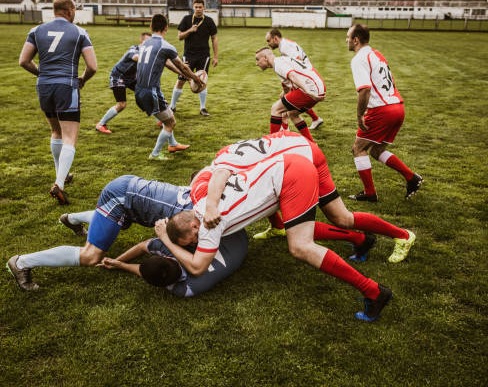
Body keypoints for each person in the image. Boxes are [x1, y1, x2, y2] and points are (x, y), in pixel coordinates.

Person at [157, 154, 393, 322]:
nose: (194, 245)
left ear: (194, 227)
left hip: (289, 176)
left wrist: (165, 240)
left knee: (300, 246)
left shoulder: (208, 225)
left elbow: (197, 268)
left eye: (190, 242)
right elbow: (215, 171)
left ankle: (373, 292)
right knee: (298, 228)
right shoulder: (201, 190)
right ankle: (361, 240)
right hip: (283, 168)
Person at [202, 130, 415, 263]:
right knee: (337, 217)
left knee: (330, 220)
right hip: (297, 145)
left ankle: (403, 236)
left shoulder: (221, 169)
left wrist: (211, 205)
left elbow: (224, 177)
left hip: (302, 159)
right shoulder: (223, 153)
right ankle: (277, 227)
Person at [6, 174, 195, 291]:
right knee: (91, 256)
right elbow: (149, 244)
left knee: (119, 224)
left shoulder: (200, 207)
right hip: (121, 197)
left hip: (132, 191)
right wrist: (119, 263)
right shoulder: (187, 223)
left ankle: (71, 219)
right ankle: (22, 262)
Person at [19, 0, 97, 205]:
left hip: (44, 86)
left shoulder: (35, 31)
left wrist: (42, 75)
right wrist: (82, 79)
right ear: (70, 11)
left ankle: (60, 176)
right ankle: (59, 184)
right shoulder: (80, 32)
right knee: (70, 136)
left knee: (55, 131)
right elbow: (93, 66)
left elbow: (24, 61)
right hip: (66, 86)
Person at [346, 24, 423, 202]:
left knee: (358, 148)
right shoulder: (377, 54)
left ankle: (370, 193)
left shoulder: (358, 59)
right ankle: (411, 177)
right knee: (376, 150)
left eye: (348, 37)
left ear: (355, 39)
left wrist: (359, 115)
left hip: (382, 110)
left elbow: (364, 90)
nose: (346, 40)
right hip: (398, 107)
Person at [134, 14, 205, 160]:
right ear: (167, 27)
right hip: (150, 92)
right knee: (171, 122)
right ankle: (154, 154)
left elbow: (167, 63)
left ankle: (172, 144)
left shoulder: (145, 44)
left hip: (139, 90)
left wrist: (183, 74)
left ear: (150, 27)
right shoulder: (166, 46)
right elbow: (182, 66)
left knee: (168, 115)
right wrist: (195, 78)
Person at [98, 229, 248, 297]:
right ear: (168, 258)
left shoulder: (184, 290)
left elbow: (145, 266)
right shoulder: (170, 250)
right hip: (233, 232)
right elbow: (142, 246)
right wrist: (119, 262)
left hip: (242, 245)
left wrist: (120, 264)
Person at [255, 47, 323, 143]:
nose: (257, 63)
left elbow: (292, 76)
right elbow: (287, 86)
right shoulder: (281, 60)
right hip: (318, 88)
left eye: (258, 59)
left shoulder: (278, 63)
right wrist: (284, 95)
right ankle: (311, 143)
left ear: (265, 57)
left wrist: (308, 91)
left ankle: (271, 145)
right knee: (293, 114)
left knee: (275, 109)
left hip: (311, 89)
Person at [265, 28, 323, 130]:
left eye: (268, 40)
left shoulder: (285, 47)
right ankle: (315, 119)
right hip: (305, 74)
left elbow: (297, 60)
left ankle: (285, 128)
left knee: (288, 102)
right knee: (291, 100)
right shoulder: (285, 44)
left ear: (275, 38)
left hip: (304, 75)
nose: (268, 44)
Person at [169, 0, 218, 117]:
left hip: (203, 55)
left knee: (202, 81)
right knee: (181, 80)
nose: (198, 9)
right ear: (193, 7)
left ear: (204, 7)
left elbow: (214, 39)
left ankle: (203, 108)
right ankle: (172, 106)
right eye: (196, 7)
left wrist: (215, 56)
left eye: (200, 7)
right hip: (189, 55)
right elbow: (180, 37)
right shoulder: (186, 19)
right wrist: (190, 30)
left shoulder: (209, 21)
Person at [95, 32, 151, 134]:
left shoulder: (147, 53)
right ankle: (101, 124)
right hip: (118, 76)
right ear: (141, 42)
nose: (148, 44)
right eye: (146, 42)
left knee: (147, 93)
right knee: (121, 104)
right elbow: (136, 57)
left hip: (130, 78)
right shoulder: (133, 49)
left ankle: (161, 119)